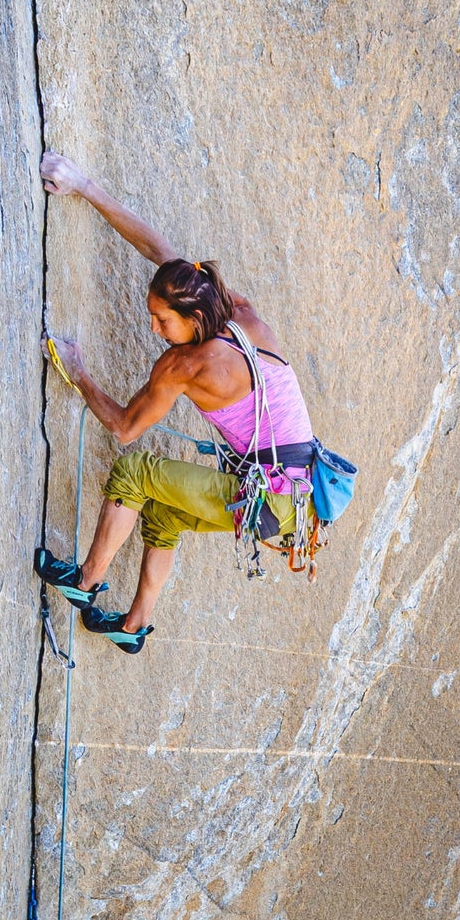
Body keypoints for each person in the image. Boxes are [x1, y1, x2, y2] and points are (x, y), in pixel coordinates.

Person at [34, 151, 317, 649]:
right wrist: (84, 186)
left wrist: (78, 373)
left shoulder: (187, 365)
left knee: (134, 471)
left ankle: (83, 585)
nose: (154, 328)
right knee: (162, 513)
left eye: (162, 321)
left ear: (191, 318)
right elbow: (159, 250)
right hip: (299, 500)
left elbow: (124, 427)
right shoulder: (235, 313)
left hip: (268, 497)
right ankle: (132, 626)